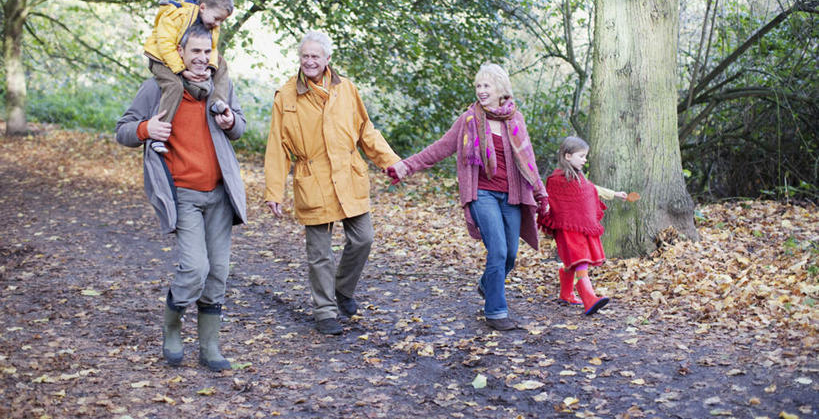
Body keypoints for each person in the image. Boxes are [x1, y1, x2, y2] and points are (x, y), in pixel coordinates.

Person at [116, 22, 247, 370]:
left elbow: (240, 126)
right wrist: (147, 129)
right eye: (195, 51)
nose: (202, 58)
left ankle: (210, 347)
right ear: (180, 53)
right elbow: (123, 130)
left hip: (220, 196)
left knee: (218, 271)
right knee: (194, 268)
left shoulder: (220, 85)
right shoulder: (159, 87)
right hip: (184, 195)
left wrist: (231, 122)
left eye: (207, 51)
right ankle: (172, 328)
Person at [388, 63, 549, 331]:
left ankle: (487, 284)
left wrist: (541, 193)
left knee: (510, 254)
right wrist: (407, 166)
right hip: (482, 194)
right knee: (498, 250)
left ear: (501, 89)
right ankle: (496, 312)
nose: (481, 90)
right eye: (478, 86)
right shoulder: (469, 120)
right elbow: (441, 147)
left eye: (487, 85)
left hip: (512, 196)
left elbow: (528, 160)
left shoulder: (515, 119)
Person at [264, 30, 401, 336]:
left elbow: (366, 131)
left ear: (327, 58)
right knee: (319, 253)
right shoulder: (286, 95)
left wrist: (390, 162)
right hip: (312, 178)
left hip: (348, 174)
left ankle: (342, 289)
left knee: (363, 239)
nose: (309, 61)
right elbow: (277, 146)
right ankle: (325, 311)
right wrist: (274, 190)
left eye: (315, 56)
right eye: (305, 56)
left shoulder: (346, 89)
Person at [538, 136, 626, 315]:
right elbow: (548, 200)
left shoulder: (580, 178)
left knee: (572, 261)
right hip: (566, 228)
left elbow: (593, 189)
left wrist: (614, 194)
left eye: (586, 156)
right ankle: (589, 298)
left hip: (580, 226)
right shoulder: (556, 180)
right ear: (568, 156)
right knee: (580, 259)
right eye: (581, 156)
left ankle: (566, 294)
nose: (585, 160)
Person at [143, 0, 234, 154]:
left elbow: (213, 48)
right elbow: (165, 46)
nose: (218, 24)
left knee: (221, 65)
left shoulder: (212, 26)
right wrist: (181, 70)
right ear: (203, 7)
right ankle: (160, 133)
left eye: (221, 21)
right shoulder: (176, 15)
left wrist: (210, 68)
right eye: (216, 18)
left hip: (182, 60)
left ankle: (217, 103)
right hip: (161, 59)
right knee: (174, 85)